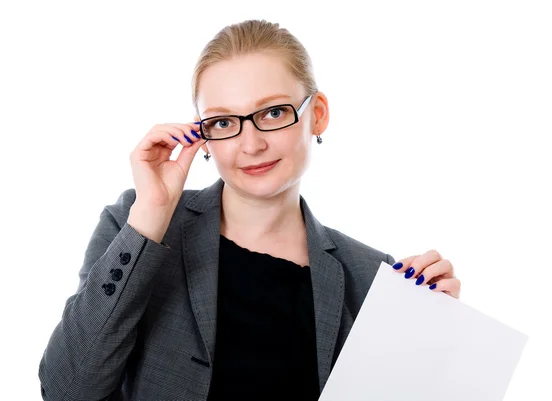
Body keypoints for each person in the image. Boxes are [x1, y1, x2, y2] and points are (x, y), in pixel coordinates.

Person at [38, 19, 461, 401]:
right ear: (201, 135)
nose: (251, 144)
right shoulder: (137, 224)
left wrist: (427, 340)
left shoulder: (370, 277)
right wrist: (152, 215)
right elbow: (66, 391)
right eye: (223, 122)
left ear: (317, 115)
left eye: (273, 112)